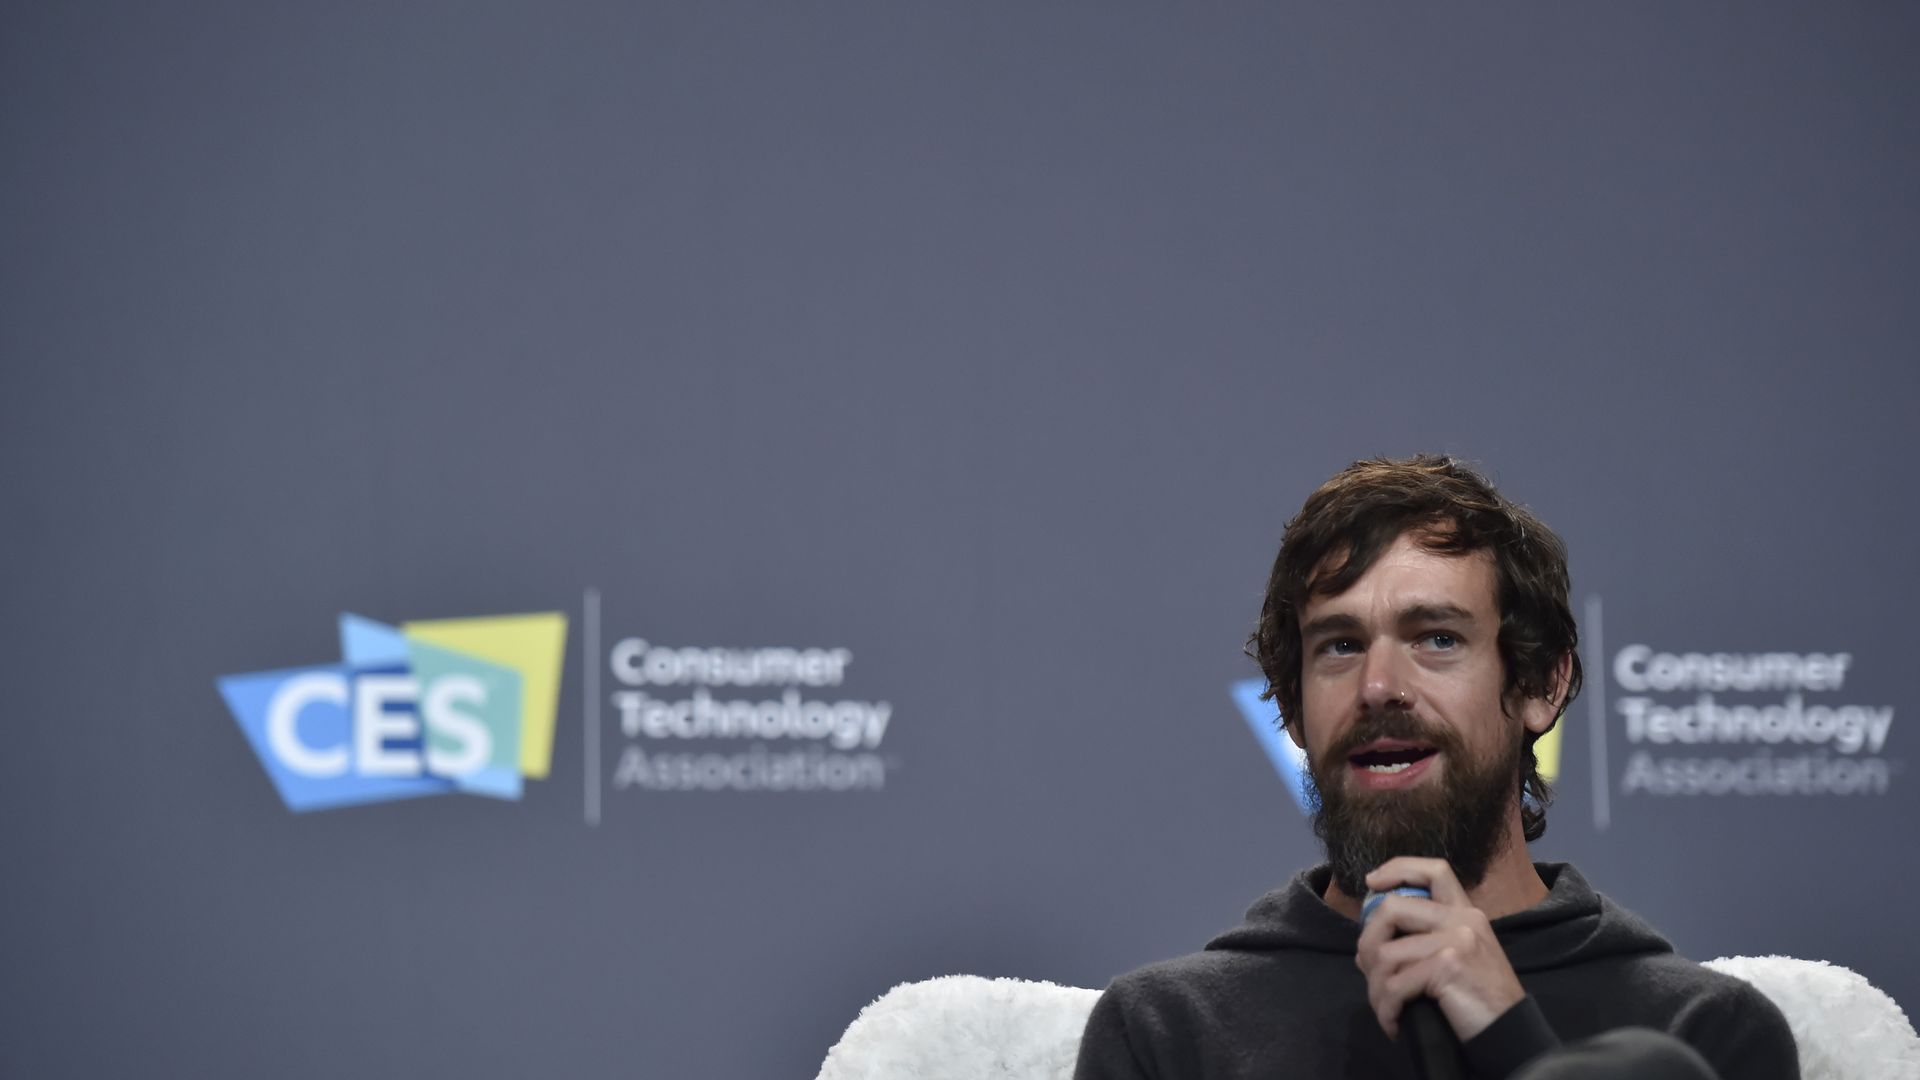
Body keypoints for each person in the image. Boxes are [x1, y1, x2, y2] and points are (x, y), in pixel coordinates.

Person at [1072, 455, 1798, 1080]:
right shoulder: (1168, 1036)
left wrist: (1510, 1037)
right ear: (1292, 710)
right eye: (1339, 646)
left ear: (1542, 685)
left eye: (1438, 639)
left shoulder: (1704, 1035)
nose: (1378, 685)